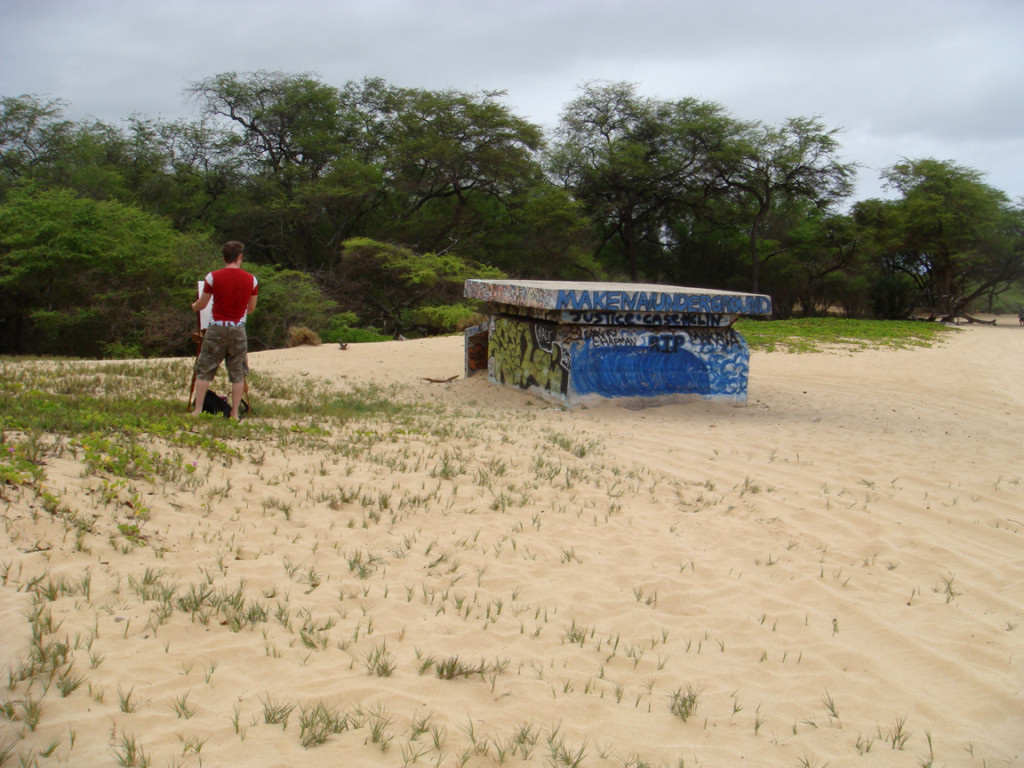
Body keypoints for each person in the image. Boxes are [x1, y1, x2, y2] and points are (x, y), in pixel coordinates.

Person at [191, 241, 259, 420]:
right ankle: (235, 413)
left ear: (223, 258)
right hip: (238, 328)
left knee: (205, 368)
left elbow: (203, 303)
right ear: (240, 257)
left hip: (217, 327)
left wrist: (195, 306)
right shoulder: (252, 280)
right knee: (238, 372)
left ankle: (198, 410)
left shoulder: (213, 277)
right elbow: (251, 308)